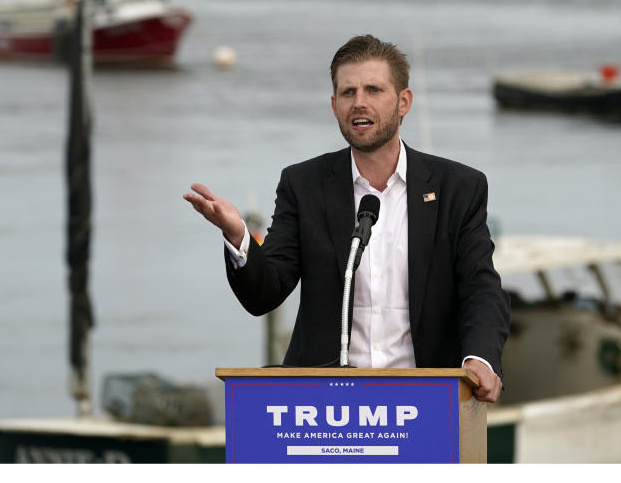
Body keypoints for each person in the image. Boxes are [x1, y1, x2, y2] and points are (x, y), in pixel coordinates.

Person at [184, 34, 511, 403]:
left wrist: (480, 358)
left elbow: (481, 288)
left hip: (427, 403)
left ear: (404, 102)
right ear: (333, 104)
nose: (359, 103)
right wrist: (238, 235)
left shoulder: (458, 187)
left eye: (373, 90)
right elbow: (265, 292)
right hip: (325, 408)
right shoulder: (304, 184)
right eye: (348, 92)